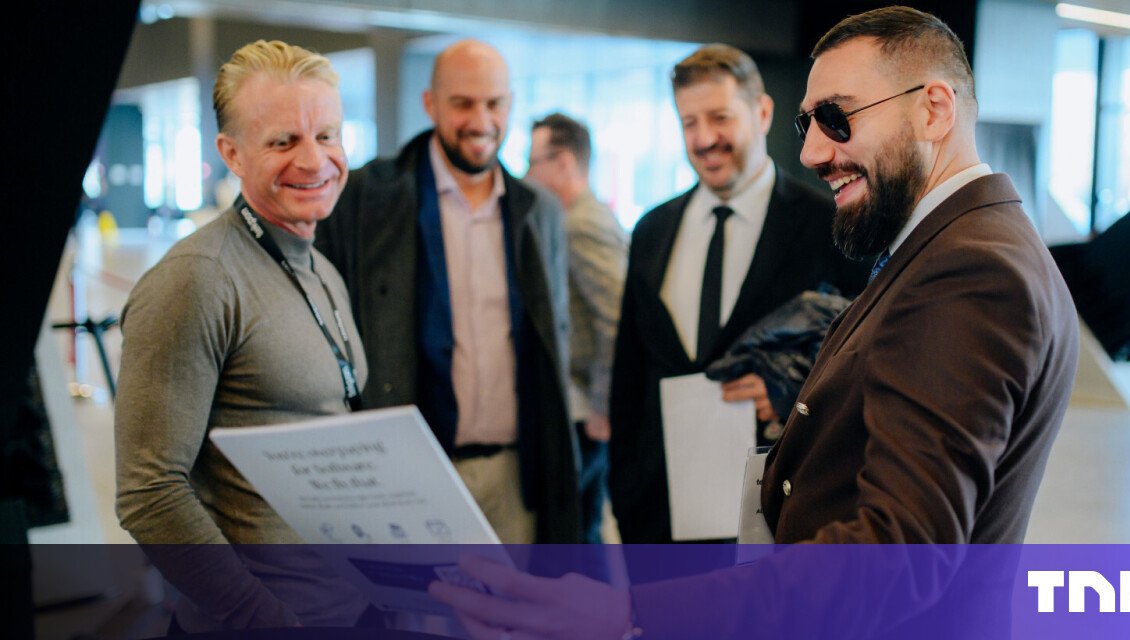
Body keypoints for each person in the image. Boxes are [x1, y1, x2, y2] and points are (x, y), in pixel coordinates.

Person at [430, 6, 1079, 638]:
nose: (814, 151)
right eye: (808, 123)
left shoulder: (966, 271)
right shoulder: (959, 247)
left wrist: (628, 611)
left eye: (838, 117)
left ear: (933, 109)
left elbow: (894, 557)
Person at [115, 40, 375, 631]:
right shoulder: (197, 279)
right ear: (231, 153)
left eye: (327, 135)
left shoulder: (322, 269)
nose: (315, 160)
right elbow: (149, 492)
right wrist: (263, 619)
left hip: (349, 609)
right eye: (284, 141)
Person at [314, 39, 579, 544]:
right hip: (410, 478)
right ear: (430, 104)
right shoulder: (367, 199)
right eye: (462, 103)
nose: (481, 121)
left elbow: (555, 342)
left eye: (494, 103)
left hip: (515, 478)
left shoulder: (539, 211)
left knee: (518, 598)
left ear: (510, 104)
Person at [608, 43, 870, 545]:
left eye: (720, 117)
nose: (704, 139)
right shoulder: (652, 230)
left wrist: (791, 393)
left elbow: (865, 369)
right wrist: (626, 496)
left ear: (763, 112)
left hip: (779, 517)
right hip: (656, 520)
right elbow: (629, 375)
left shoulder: (831, 225)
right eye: (689, 122)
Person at [525, 113, 628, 544]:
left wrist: (603, 407)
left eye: (533, 162)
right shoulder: (586, 216)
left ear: (564, 163)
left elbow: (616, 318)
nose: (526, 175)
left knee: (576, 537)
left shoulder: (578, 225)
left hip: (586, 410)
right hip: (586, 405)